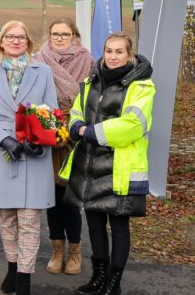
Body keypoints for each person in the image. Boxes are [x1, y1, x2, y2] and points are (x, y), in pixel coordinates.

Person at [60, 32, 155, 295]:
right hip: (90, 164)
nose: (112, 57)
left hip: (120, 167)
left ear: (129, 54)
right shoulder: (91, 81)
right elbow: (77, 110)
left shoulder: (141, 86)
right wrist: (76, 124)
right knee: (94, 222)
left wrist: (90, 132)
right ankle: (99, 275)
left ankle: (114, 281)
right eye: (109, 51)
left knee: (120, 225)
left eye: (119, 51)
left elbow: (133, 125)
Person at [0, 21, 57, 294]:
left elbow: (51, 111)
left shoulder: (42, 71)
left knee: (30, 219)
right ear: (2, 41)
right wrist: (3, 139)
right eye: (10, 36)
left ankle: (24, 279)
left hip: (34, 155)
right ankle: (12, 266)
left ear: (28, 42)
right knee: (7, 217)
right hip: (1, 154)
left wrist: (39, 139)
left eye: (21, 37)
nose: (16, 41)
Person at [34, 18, 93, 275]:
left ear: (74, 35)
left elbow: (92, 99)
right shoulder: (39, 58)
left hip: (77, 131)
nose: (59, 38)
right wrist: (52, 129)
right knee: (52, 197)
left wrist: (74, 129)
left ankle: (76, 251)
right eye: (55, 34)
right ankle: (57, 249)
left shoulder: (88, 61)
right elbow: (33, 96)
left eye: (65, 34)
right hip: (48, 129)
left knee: (71, 197)